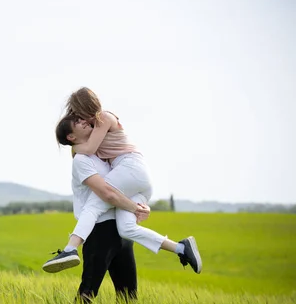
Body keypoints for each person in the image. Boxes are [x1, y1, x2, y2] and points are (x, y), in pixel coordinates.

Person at [42, 105, 202, 274]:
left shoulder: (98, 134)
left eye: (82, 118)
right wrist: (137, 207)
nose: (83, 121)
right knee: (126, 229)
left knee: (93, 206)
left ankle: (69, 249)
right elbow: (112, 190)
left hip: (132, 172)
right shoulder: (88, 154)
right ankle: (181, 248)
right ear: (71, 135)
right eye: (77, 121)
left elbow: (110, 193)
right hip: (134, 183)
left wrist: (74, 147)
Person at [52, 148, 141, 304]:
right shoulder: (81, 159)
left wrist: (141, 205)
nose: (91, 126)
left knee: (129, 295)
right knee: (88, 291)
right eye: (81, 122)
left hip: (122, 229)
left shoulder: (109, 157)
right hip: (100, 231)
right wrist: (135, 208)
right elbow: (108, 193)